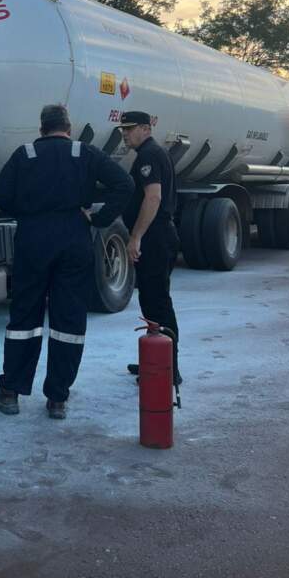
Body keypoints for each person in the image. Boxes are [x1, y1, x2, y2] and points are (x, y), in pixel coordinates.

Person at [0, 104, 134, 420]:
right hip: (74, 239)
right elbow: (125, 185)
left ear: (42, 129)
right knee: (68, 321)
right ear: (68, 128)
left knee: (24, 317)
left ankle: (10, 393)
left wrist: (26, 214)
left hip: (33, 240)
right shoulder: (86, 153)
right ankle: (57, 399)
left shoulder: (24, 155)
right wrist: (99, 218)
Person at [118, 110, 182, 385]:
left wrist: (136, 237)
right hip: (159, 236)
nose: (125, 134)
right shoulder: (153, 152)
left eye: (130, 129)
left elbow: (153, 198)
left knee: (158, 303)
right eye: (123, 130)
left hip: (155, 238)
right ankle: (155, 361)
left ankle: (168, 370)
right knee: (152, 302)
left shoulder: (148, 155)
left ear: (146, 128)